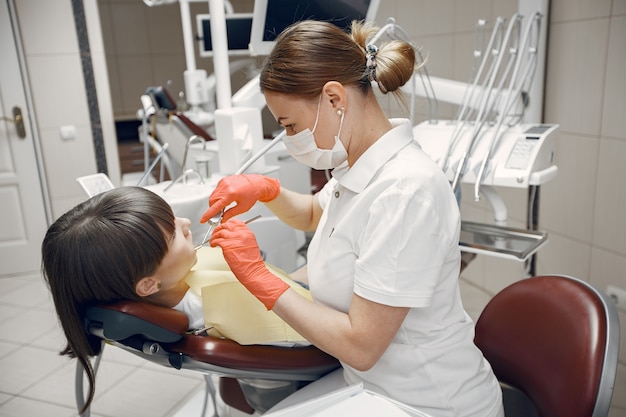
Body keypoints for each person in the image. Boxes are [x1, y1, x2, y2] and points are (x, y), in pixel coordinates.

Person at [201, 20, 504, 416]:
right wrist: (264, 190)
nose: (291, 138)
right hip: (371, 384)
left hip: (428, 401)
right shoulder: (360, 166)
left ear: (334, 99)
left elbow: (361, 345)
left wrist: (259, 277)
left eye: (290, 125)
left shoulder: (404, 191)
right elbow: (314, 213)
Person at [41, 186, 308, 415]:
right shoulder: (215, 307)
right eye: (174, 234)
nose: (186, 223)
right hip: (301, 372)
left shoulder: (173, 285)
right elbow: (308, 334)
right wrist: (258, 274)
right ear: (148, 284)